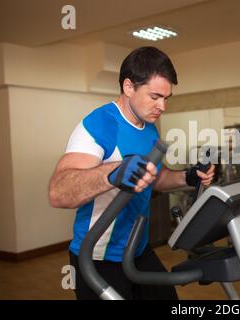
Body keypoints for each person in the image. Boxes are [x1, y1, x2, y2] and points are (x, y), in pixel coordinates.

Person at [48, 47, 215, 300]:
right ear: (128, 87)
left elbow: (154, 178)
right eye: (156, 96)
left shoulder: (149, 128)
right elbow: (59, 192)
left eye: (167, 98)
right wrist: (114, 172)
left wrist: (187, 177)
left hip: (137, 248)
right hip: (97, 254)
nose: (163, 106)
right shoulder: (99, 124)